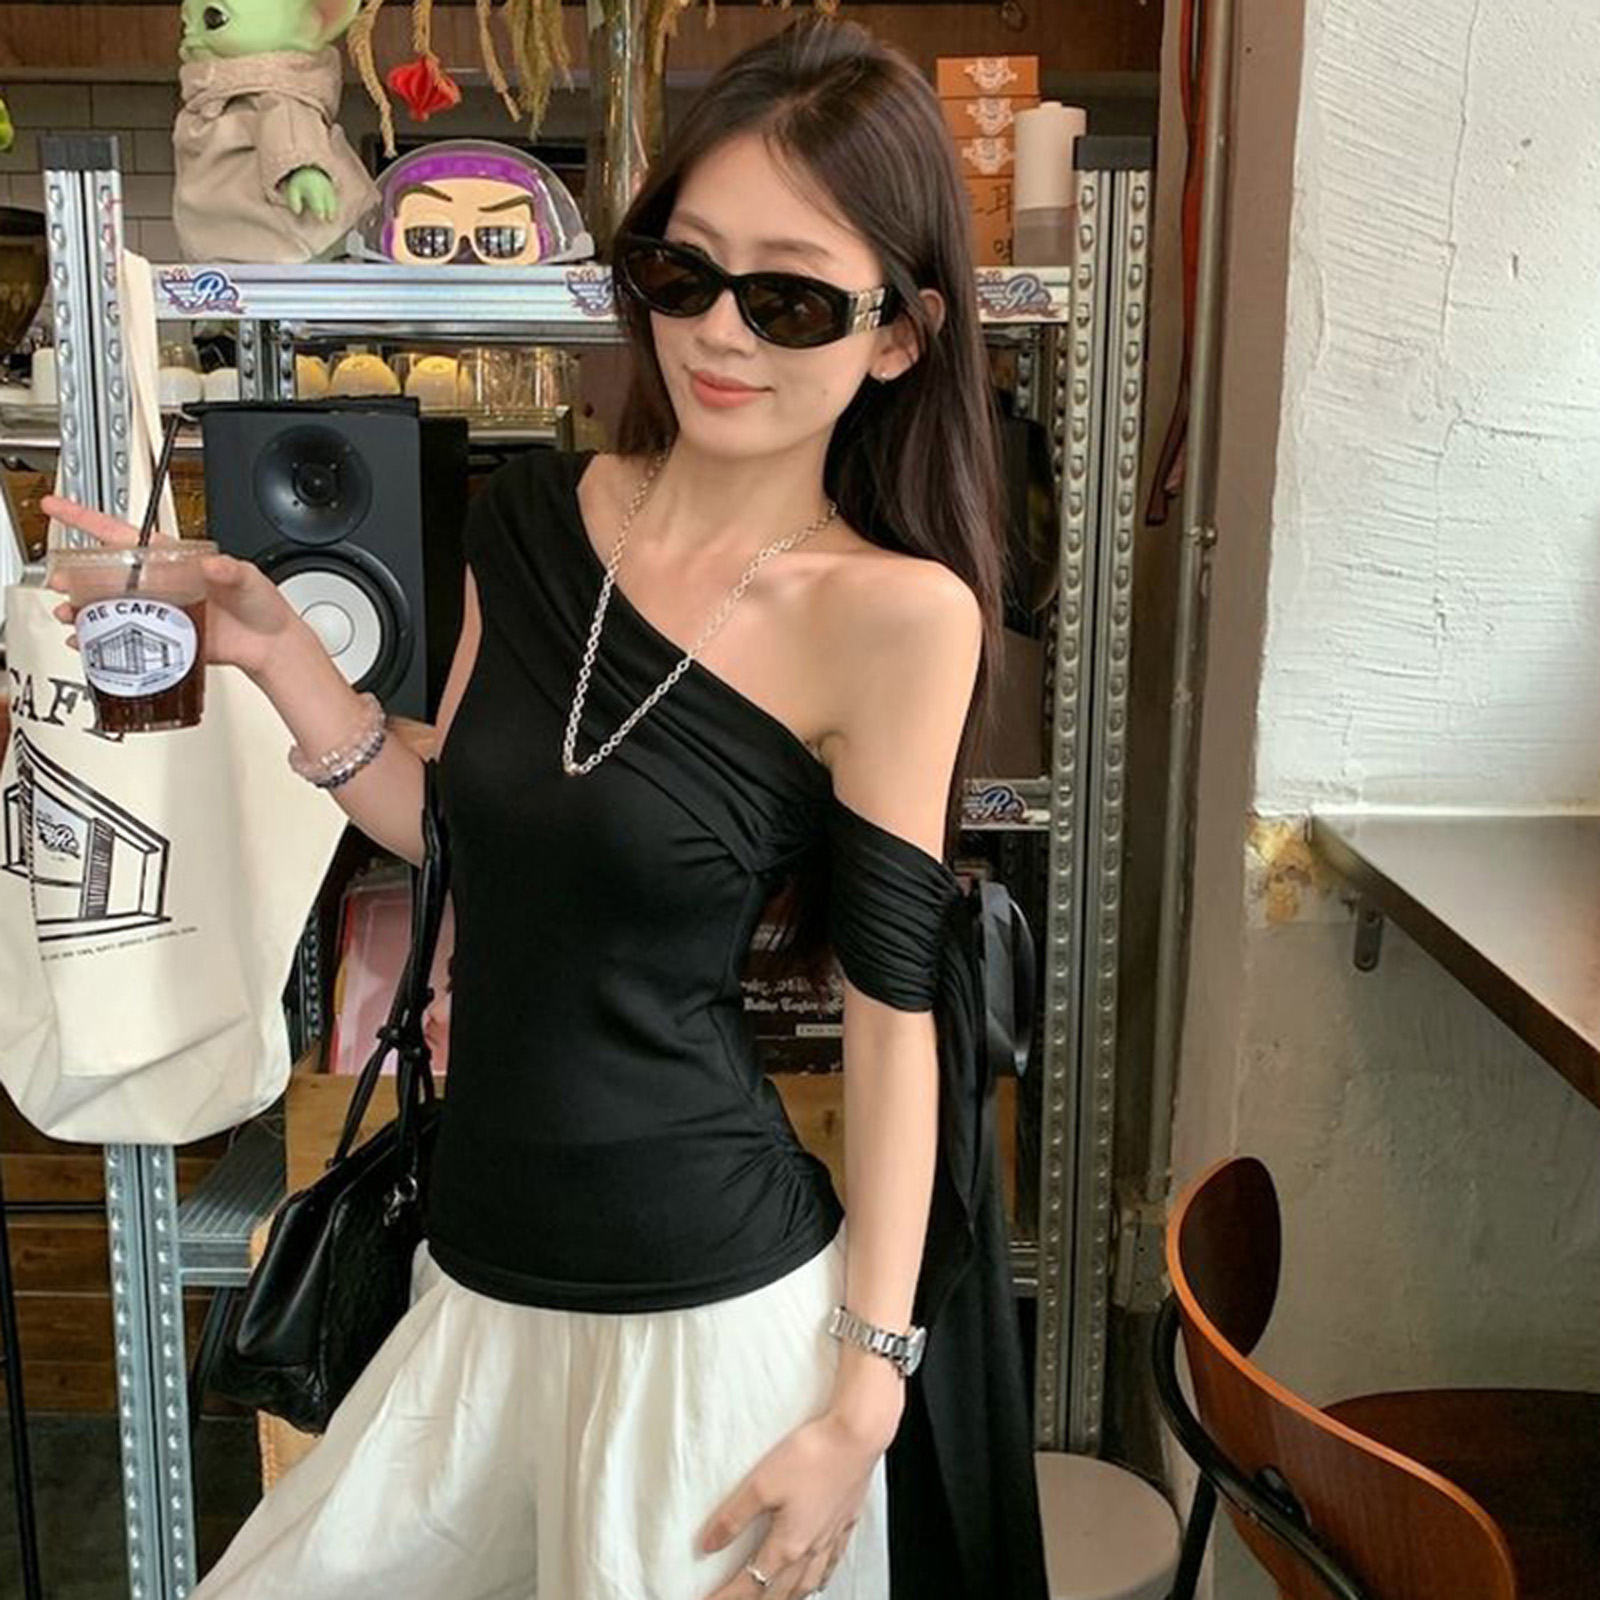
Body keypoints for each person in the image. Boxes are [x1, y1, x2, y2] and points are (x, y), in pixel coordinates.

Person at [43, 16, 1047, 1599]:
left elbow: (891, 1014)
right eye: (681, 272)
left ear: (899, 338)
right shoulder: (536, 517)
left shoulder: (899, 617)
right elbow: (458, 829)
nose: (719, 334)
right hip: (476, 1277)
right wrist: (277, 648)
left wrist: (866, 1392)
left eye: (788, 299)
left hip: (708, 1325)